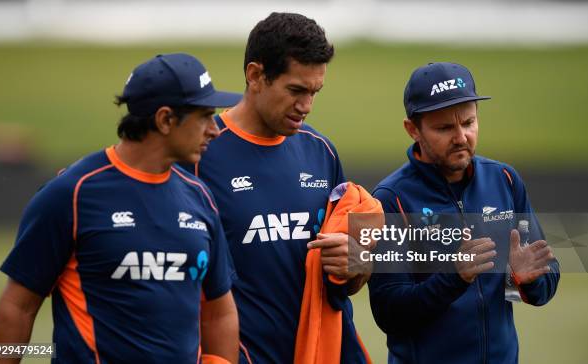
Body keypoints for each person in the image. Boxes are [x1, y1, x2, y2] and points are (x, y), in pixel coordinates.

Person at [0, 53, 241, 364]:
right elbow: (18, 308)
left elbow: (219, 311)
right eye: (203, 116)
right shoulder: (71, 194)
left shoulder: (200, 197)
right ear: (165, 119)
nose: (214, 129)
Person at [182, 12, 371, 364]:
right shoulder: (199, 156)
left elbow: (344, 280)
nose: (306, 107)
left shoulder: (322, 152)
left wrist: (359, 265)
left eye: (315, 92)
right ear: (256, 75)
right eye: (296, 90)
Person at [368, 62, 560, 363]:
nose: (461, 137)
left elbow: (546, 280)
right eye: (444, 127)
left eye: (468, 123)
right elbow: (388, 312)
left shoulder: (505, 180)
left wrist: (526, 279)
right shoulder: (392, 200)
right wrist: (454, 277)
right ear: (412, 130)